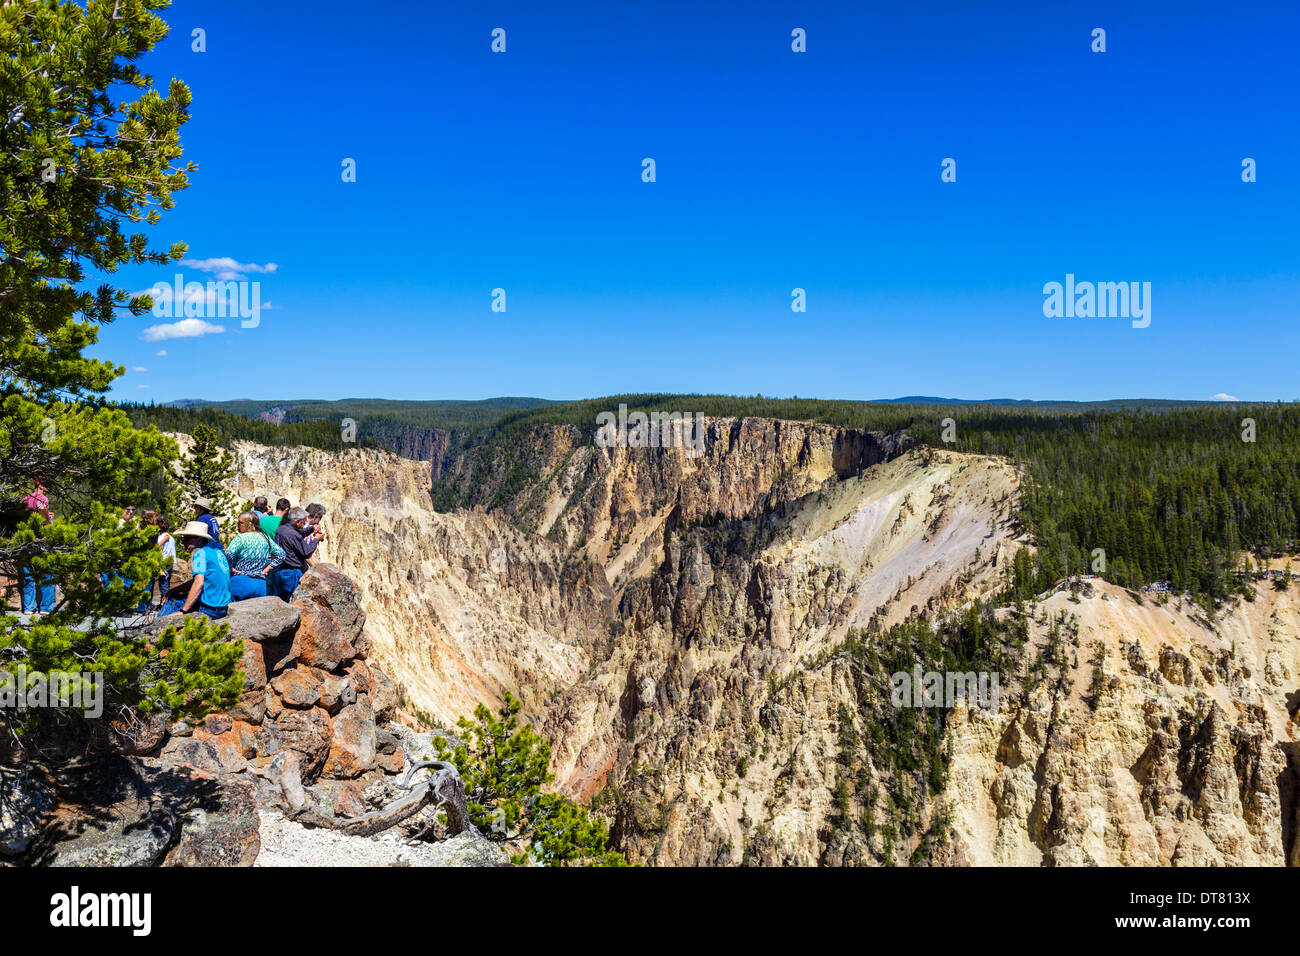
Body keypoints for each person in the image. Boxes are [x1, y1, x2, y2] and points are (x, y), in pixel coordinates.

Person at [159, 521, 230, 619]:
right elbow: (202, 580)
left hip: (208, 609)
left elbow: (198, 583)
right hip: (222, 608)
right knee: (175, 594)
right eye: (182, 539)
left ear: (199, 539)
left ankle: (160, 621)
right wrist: (173, 590)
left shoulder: (199, 553)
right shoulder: (218, 553)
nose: (183, 542)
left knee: (172, 602)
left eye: (187, 539)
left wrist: (183, 611)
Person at [226, 510, 286, 600]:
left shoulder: (240, 538)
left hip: (240, 583)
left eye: (241, 522)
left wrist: (231, 568)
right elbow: (281, 554)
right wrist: (268, 568)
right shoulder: (265, 538)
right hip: (261, 585)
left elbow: (229, 553)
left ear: (249, 524)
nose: (237, 525)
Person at [20, 479, 55, 614]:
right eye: (47, 484)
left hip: (26, 540)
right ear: (40, 485)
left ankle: (29, 607)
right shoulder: (42, 499)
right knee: (47, 574)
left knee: (28, 574)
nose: (49, 487)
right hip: (40, 540)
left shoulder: (25, 498)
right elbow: (43, 521)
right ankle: (46, 607)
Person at [271, 507, 315, 600]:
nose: (304, 525)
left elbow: (297, 536)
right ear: (298, 521)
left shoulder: (282, 529)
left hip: (279, 571)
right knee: (292, 601)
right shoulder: (293, 534)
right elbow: (307, 552)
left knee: (279, 601)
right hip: (292, 573)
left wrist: (311, 530)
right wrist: (316, 540)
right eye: (303, 522)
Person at [137, 509, 174, 611]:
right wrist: (160, 565)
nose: (157, 516)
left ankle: (144, 606)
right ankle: (144, 607)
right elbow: (156, 548)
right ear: (151, 517)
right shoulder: (153, 531)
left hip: (142, 559)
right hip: (150, 560)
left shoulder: (141, 529)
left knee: (146, 584)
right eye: (155, 515)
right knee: (148, 584)